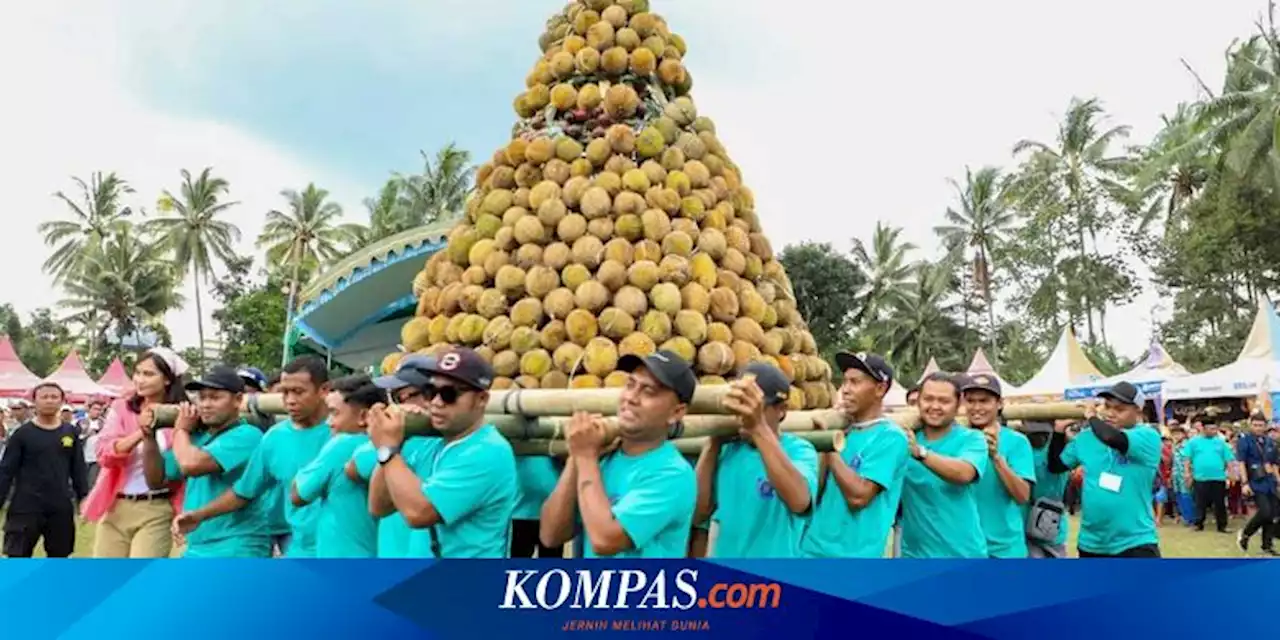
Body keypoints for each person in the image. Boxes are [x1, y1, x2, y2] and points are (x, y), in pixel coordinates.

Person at [540, 350, 697, 558]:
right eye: (630, 385)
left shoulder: (673, 474)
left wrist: (586, 456)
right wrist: (576, 458)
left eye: (648, 391)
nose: (631, 398)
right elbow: (551, 535)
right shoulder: (603, 460)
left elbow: (605, 540)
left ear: (676, 412)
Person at [367, 347, 516, 558]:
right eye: (430, 392)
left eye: (449, 394)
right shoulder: (430, 444)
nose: (436, 402)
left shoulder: (488, 451)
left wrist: (388, 450)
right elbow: (379, 506)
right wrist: (397, 443)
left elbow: (418, 513)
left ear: (481, 399)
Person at [176, 356, 332, 557]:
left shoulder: (349, 433)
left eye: (299, 392)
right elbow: (244, 492)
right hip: (300, 550)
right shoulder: (274, 439)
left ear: (324, 390)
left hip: (345, 549)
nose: (290, 400)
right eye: (285, 392)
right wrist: (199, 515)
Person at [144, 366, 271, 557]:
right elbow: (156, 480)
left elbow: (190, 465)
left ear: (237, 400)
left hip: (238, 544)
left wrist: (181, 430)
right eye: (202, 397)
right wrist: (148, 437)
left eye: (215, 397)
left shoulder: (247, 435)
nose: (205, 404)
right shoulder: (199, 438)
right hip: (198, 544)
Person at [694, 362, 818, 558]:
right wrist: (712, 443)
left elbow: (800, 501)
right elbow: (698, 513)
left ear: (781, 410)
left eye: (756, 407)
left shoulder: (799, 450)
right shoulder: (727, 450)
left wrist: (758, 427)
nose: (743, 414)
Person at [83, 349, 189, 558]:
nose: (140, 380)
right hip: (117, 505)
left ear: (167, 380)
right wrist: (142, 432)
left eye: (149, 374)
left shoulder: (181, 414)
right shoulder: (122, 407)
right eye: (138, 373)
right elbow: (105, 454)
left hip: (157, 507)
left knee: (141, 578)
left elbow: (182, 466)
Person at [800, 351, 907, 558]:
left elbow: (858, 497)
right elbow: (818, 488)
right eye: (845, 382)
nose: (846, 390)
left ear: (880, 389)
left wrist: (829, 443)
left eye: (855, 382)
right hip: (812, 550)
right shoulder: (846, 431)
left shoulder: (890, 438)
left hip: (853, 557)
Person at [1048, 382, 1162, 557]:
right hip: (1092, 543)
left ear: (1138, 411)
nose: (1110, 413)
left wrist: (1092, 416)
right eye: (1107, 406)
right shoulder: (1086, 438)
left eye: (1119, 409)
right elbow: (1056, 466)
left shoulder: (1148, 436)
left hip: (1135, 542)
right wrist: (1058, 432)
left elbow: (1111, 437)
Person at [354, 354, 445, 558]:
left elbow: (419, 513)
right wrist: (393, 444)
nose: (401, 405)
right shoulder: (399, 437)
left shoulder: (450, 444)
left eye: (411, 395)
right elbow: (376, 505)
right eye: (397, 398)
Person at [899, 372, 988, 558]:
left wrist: (920, 452)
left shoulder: (972, 439)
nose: (935, 406)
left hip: (962, 555)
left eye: (944, 401)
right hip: (914, 556)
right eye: (928, 399)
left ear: (959, 404)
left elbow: (964, 473)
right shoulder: (903, 439)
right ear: (918, 402)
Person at [291, 374, 382, 558]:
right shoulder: (385, 446)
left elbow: (298, 495)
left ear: (364, 416)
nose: (329, 422)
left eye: (335, 413)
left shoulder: (341, 445)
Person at [0, 383, 89, 557]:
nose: (49, 401)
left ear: (62, 401)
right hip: (25, 506)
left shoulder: (69, 432)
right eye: (44, 397)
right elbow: (6, 471)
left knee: (60, 557)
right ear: (35, 402)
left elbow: (78, 469)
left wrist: (84, 497)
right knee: (17, 556)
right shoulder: (22, 434)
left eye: (54, 397)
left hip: (60, 506)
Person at [963, 374, 1035, 558]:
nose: (977, 407)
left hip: (1004, 550)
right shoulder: (957, 439)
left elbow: (1022, 495)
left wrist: (996, 457)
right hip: (963, 547)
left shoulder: (1017, 442)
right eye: (971, 401)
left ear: (1000, 404)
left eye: (984, 401)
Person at [1021, 421, 1068, 558]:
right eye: (1034, 434)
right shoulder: (1022, 448)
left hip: (1050, 519)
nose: (1038, 438)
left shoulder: (1056, 450)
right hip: (1026, 517)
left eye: (1043, 434)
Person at [1237, 412, 1279, 554]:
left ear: (1265, 426)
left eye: (1261, 425)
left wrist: (1278, 481)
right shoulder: (1245, 440)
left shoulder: (1270, 442)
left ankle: (1267, 545)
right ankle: (1245, 533)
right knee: (1265, 511)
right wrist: (1244, 483)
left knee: (1273, 513)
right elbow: (1241, 462)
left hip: (1270, 481)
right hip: (1255, 481)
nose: (1258, 428)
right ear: (1250, 425)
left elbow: (1273, 463)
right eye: (1255, 425)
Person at [1183, 416, 1234, 533]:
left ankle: (1222, 526)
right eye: (1211, 429)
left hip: (1218, 477)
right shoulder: (1193, 442)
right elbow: (1187, 458)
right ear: (1203, 429)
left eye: (1215, 429)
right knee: (1200, 503)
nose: (1214, 431)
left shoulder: (1221, 443)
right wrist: (1187, 473)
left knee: (1219, 503)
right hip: (1200, 477)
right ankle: (1198, 524)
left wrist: (1230, 473)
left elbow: (1228, 459)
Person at [1170, 425, 1195, 526]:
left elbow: (1189, 461)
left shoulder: (1188, 445)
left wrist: (1189, 474)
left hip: (1185, 475)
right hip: (1176, 476)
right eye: (1174, 434)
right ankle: (1185, 517)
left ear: (1184, 435)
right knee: (1179, 496)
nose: (1176, 436)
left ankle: (1191, 519)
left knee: (1187, 496)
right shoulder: (1175, 446)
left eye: (1178, 434)